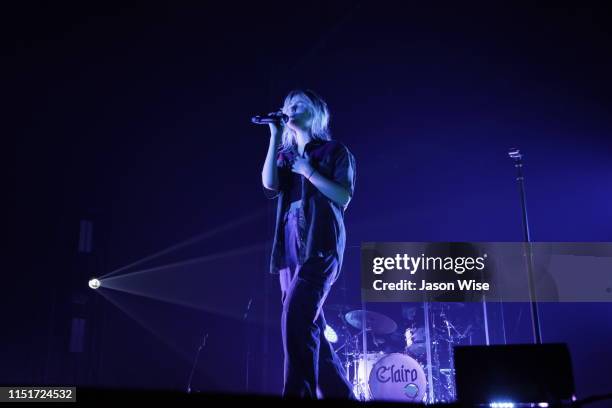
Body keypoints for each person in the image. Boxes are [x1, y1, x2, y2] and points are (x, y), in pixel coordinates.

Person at [261, 89, 356, 399]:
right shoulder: (286, 157)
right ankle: (341, 396)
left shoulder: (334, 151)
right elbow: (270, 184)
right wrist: (275, 133)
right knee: (306, 323)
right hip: (290, 245)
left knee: (295, 318)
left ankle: (297, 396)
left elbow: (343, 196)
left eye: (298, 104)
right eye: (287, 105)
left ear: (316, 112)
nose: (291, 108)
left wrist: (310, 171)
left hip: (320, 243)